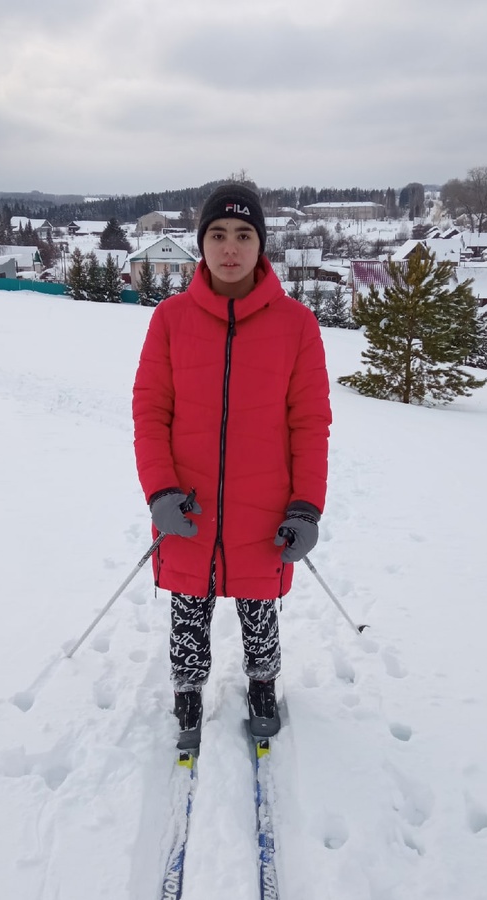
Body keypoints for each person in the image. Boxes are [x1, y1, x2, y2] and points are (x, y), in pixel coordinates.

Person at [132, 182, 332, 750]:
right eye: (217, 234)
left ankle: (263, 681)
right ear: (201, 243)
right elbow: (150, 412)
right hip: (187, 500)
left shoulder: (297, 325)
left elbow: (309, 423)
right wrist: (159, 491)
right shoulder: (170, 320)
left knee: (258, 599)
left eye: (244, 235)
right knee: (189, 601)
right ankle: (188, 688)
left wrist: (306, 506)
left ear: (260, 244)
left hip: (265, 504)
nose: (230, 247)